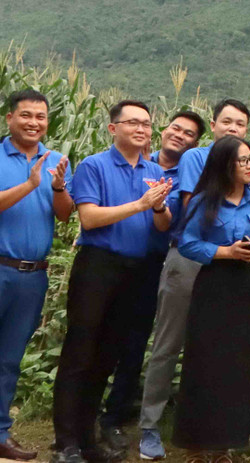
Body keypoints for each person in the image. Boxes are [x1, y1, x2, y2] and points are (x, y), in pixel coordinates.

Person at [139, 99, 250, 460]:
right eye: (227, 121)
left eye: (241, 124)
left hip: (234, 275)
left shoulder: (248, 182)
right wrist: (226, 245)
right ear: (213, 124)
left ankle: (245, 419)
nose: (233, 128)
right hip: (191, 263)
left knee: (231, 348)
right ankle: (150, 425)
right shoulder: (195, 158)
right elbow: (192, 211)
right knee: (170, 342)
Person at [52, 100, 175, 463]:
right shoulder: (94, 165)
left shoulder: (155, 170)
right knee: (80, 353)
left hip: (136, 271)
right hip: (98, 267)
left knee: (107, 356)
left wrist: (158, 207)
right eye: (132, 122)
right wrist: (141, 204)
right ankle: (65, 443)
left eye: (146, 124)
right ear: (113, 128)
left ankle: (88, 441)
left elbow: (163, 225)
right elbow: (88, 218)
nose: (141, 129)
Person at [99, 110, 204, 447]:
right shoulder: (135, 162)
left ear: (195, 144)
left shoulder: (190, 175)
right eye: (176, 128)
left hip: (159, 262)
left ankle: (118, 412)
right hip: (116, 260)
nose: (180, 135)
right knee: (106, 336)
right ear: (164, 129)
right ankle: (94, 411)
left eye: (189, 134)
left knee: (140, 341)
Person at [170, 136, 250, 462]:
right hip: (212, 284)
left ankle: (224, 444)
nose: (249, 165)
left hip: (243, 286)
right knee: (204, 362)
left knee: (236, 365)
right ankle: (195, 443)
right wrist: (224, 252)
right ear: (224, 164)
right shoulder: (204, 200)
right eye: (242, 160)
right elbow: (187, 243)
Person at [0, 90, 71, 463]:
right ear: (10, 118)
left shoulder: (57, 161)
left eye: (40, 116)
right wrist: (29, 184)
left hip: (32, 275)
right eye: (26, 115)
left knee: (9, 358)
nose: (34, 122)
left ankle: (0, 433)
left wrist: (57, 187)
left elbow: (64, 214)